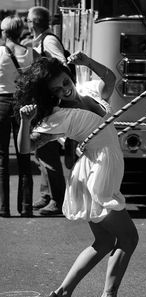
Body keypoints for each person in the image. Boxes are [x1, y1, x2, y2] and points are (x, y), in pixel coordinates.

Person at [16, 54, 139, 297]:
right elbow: (26, 148)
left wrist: (86, 61)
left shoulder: (88, 91)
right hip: (97, 175)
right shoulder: (60, 115)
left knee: (105, 242)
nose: (64, 89)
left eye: (63, 81)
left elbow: (110, 79)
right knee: (129, 238)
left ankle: (62, 294)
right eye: (56, 90)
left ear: (66, 72)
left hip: (100, 169)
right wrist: (26, 121)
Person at [27, 6, 67, 215]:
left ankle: (57, 200)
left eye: (27, 20)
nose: (25, 23)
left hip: (49, 104)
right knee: (41, 151)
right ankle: (46, 194)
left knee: (48, 152)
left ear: (34, 22)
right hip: (41, 103)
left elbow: (61, 63)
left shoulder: (48, 40)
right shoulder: (39, 40)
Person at [0, 15, 37, 217]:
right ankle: (25, 207)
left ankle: (3, 207)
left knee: (2, 157)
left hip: (1, 103)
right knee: (24, 155)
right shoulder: (30, 53)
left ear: (5, 32)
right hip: (23, 104)